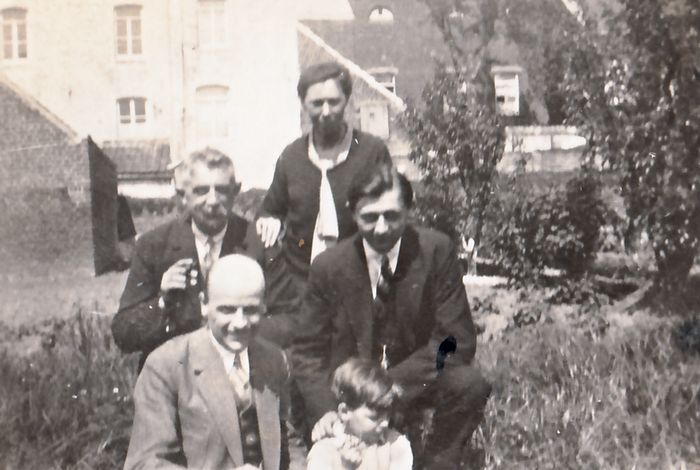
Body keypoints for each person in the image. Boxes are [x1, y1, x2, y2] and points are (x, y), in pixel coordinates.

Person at [291, 162, 491, 470]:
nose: (382, 228)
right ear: (352, 212)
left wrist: (390, 385)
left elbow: (456, 340)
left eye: (392, 215)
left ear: (409, 209)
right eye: (370, 217)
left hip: (412, 381)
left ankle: (435, 464)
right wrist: (327, 410)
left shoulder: (435, 251)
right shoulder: (328, 266)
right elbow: (307, 352)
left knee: (469, 383)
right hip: (352, 390)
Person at [112, 148, 294, 367]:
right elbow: (123, 333)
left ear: (235, 191)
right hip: (176, 372)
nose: (213, 200)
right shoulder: (154, 245)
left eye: (222, 190)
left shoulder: (259, 243)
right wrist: (162, 303)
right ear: (183, 195)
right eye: (201, 191)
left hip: (240, 369)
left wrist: (235, 333)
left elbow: (291, 320)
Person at [123, 254, 290, 470]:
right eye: (227, 310)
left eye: (250, 310)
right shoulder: (167, 365)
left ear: (264, 306)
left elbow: (290, 445)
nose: (240, 323)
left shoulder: (274, 360)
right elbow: (143, 463)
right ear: (204, 304)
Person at [256, 61, 392, 294]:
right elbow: (270, 209)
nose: (326, 111)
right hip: (302, 284)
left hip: (359, 280)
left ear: (346, 100)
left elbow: (393, 209)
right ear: (303, 104)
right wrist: (270, 220)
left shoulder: (371, 151)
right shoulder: (292, 156)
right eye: (317, 103)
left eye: (334, 101)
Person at [306, 358, 412, 470]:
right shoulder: (324, 451)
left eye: (387, 415)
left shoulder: (395, 444)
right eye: (374, 418)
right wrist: (344, 468)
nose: (385, 423)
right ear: (345, 412)